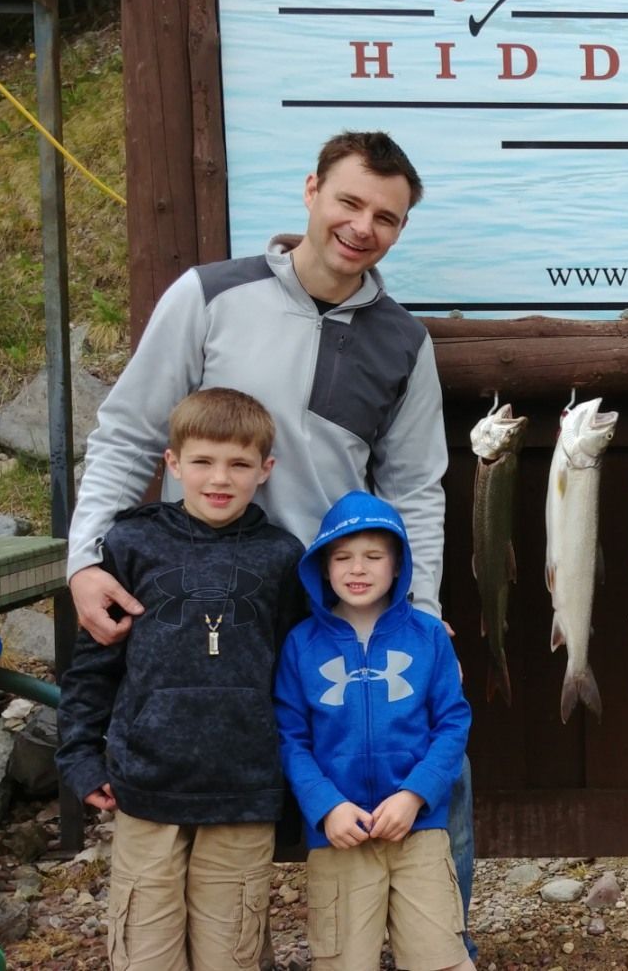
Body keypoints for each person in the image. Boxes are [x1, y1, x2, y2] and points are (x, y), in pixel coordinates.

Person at [63, 131, 478, 958]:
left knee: (430, 783)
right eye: (350, 202)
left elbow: (415, 490)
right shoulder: (211, 295)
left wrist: (420, 614)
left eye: (386, 217)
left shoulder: (405, 342)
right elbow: (127, 433)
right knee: (223, 805)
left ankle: (437, 946)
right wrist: (83, 560)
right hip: (217, 602)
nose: (363, 226)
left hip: (341, 611)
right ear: (312, 191)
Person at [55, 388, 307, 970]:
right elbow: (93, 665)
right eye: (202, 461)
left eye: (240, 464)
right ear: (172, 464)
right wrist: (80, 757)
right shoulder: (130, 542)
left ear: (265, 471)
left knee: (232, 952)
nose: (220, 478)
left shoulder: (282, 556)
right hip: (146, 784)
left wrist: (292, 774)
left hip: (243, 786)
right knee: (146, 950)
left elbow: (294, 674)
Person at [274, 491, 474, 971]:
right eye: (342, 557)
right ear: (322, 566)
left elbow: (453, 723)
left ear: (398, 564)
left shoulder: (427, 636)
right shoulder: (302, 644)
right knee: (343, 962)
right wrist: (327, 808)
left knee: (440, 959)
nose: (357, 569)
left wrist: (415, 796)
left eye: (373, 556)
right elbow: (290, 738)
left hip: (418, 832)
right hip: (340, 836)